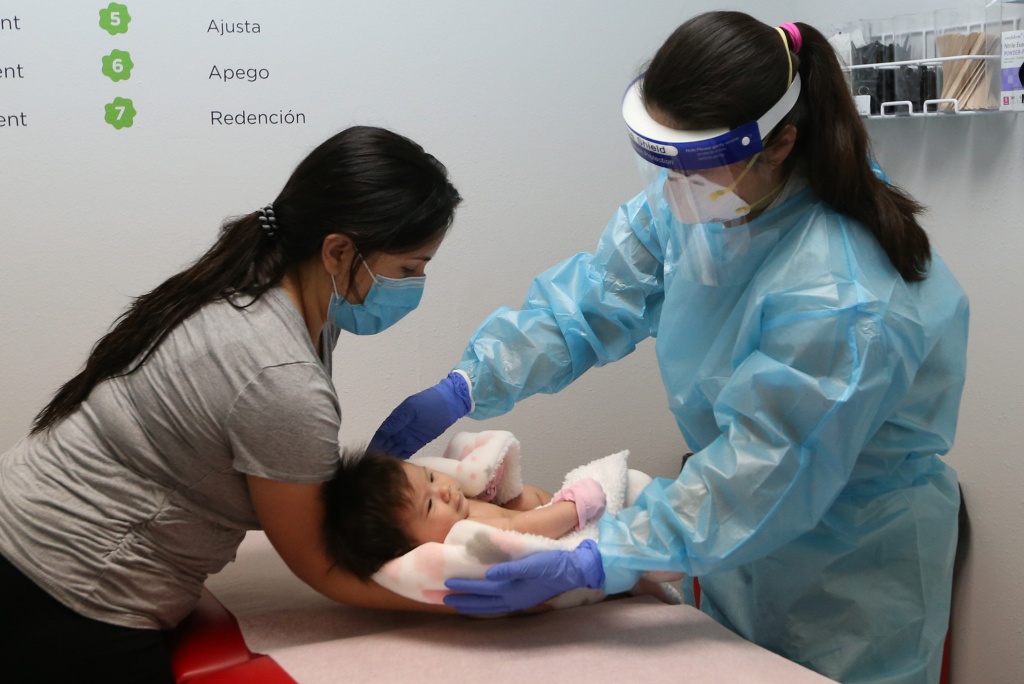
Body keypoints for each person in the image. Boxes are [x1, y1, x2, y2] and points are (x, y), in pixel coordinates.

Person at [369, 12, 968, 684]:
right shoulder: (706, 203)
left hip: (851, 576)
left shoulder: (842, 295)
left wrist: (594, 558)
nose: (673, 188)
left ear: (780, 143)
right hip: (738, 549)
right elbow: (591, 302)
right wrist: (470, 383)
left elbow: (765, 469)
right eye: (663, 163)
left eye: (694, 168)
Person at [0, 125, 466, 683]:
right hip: (65, 591)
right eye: (409, 268)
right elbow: (320, 562)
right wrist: (479, 596)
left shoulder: (270, 288)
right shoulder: (279, 374)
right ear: (339, 251)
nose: (415, 285)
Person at [321, 449, 606, 579]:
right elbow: (519, 527)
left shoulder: (458, 506)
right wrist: (573, 509)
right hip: (579, 529)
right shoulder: (466, 531)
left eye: (431, 478)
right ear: (408, 549)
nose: (443, 490)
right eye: (430, 505)